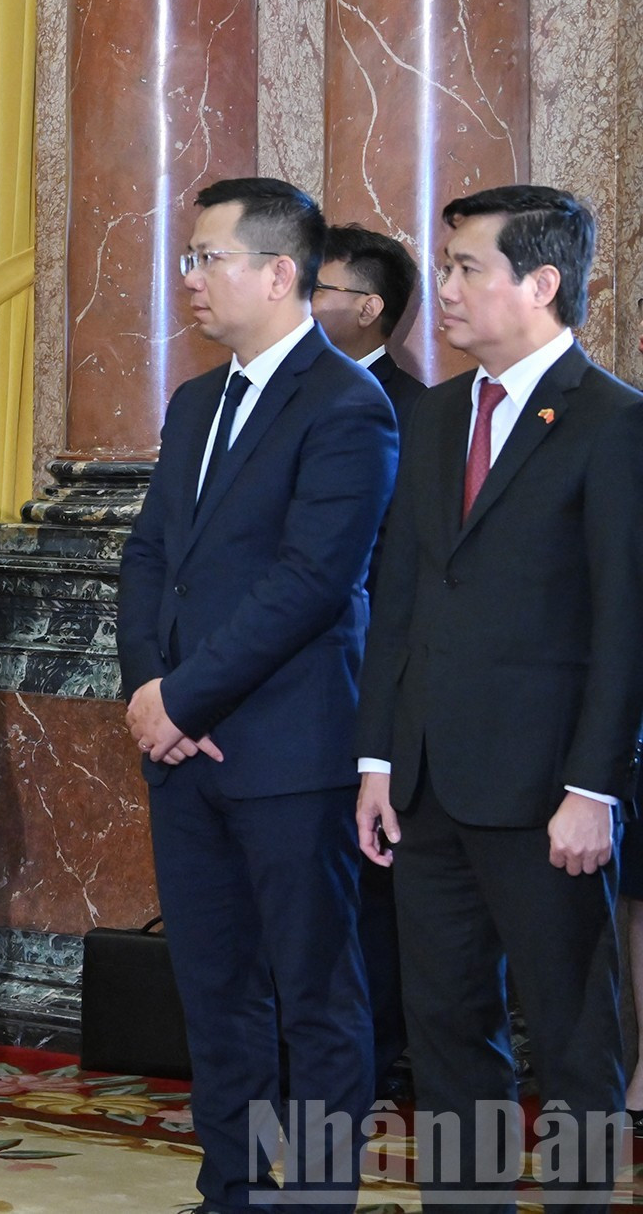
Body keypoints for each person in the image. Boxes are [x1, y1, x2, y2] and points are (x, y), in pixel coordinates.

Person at [353, 185, 643, 1209]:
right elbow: (399, 600)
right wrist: (379, 759)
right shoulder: (436, 415)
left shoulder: (613, 423)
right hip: (426, 786)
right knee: (446, 1028)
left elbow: (626, 626)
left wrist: (594, 789)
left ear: (542, 282)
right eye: (444, 267)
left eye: (466, 267)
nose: (444, 288)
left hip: (547, 795)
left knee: (572, 1033)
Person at [117, 178, 397, 1214]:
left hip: (289, 749)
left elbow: (310, 583)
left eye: (208, 257)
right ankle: (229, 1186)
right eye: (187, 257)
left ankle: (320, 1195)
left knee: (316, 993)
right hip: (182, 748)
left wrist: (184, 700)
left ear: (281, 274)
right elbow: (151, 559)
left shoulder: (346, 405)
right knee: (214, 987)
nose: (189, 277)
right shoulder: (196, 402)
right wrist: (148, 690)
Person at [313, 220, 424, 1101]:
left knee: (375, 885)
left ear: (367, 308)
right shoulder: (289, 396)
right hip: (299, 692)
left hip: (376, 679)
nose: (305, 300)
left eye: (321, 288)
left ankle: (377, 1053)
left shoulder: (416, 410)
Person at [313, 223, 427, 429]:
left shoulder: (416, 409)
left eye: (314, 289)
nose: (295, 300)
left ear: (367, 310)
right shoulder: (279, 384)